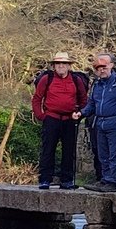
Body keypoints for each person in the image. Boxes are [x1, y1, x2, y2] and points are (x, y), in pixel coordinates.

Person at [74, 53, 116, 192]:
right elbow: (92, 104)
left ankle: (113, 181)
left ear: (111, 65)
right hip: (100, 123)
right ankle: (105, 179)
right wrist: (81, 113)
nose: (101, 69)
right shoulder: (96, 85)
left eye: (104, 66)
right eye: (98, 67)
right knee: (103, 154)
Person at [31, 52, 88, 190]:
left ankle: (66, 180)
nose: (61, 66)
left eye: (64, 63)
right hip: (51, 118)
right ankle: (45, 179)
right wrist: (41, 115)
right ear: (54, 65)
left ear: (69, 66)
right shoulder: (47, 79)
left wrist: (79, 113)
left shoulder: (76, 80)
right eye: (58, 63)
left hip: (69, 119)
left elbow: (84, 99)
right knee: (47, 150)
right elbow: (37, 98)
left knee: (69, 151)